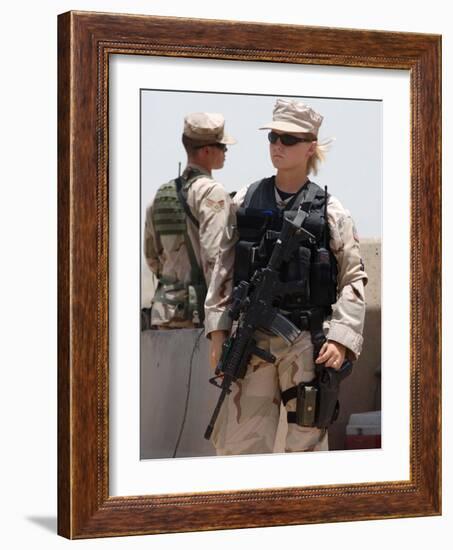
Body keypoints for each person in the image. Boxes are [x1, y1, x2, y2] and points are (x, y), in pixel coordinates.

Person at [204, 98, 367, 455]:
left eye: (288, 139)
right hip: (251, 343)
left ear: (310, 147)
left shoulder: (330, 210)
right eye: (273, 137)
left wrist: (341, 339)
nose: (278, 145)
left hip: (306, 344)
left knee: (304, 449)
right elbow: (224, 266)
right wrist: (217, 332)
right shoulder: (246, 198)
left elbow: (353, 278)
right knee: (240, 449)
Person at [143, 112, 236, 329]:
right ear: (206, 151)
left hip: (164, 313)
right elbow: (215, 258)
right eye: (222, 147)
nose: (226, 152)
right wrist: (221, 318)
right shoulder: (211, 192)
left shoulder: (161, 195)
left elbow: (152, 258)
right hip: (198, 317)